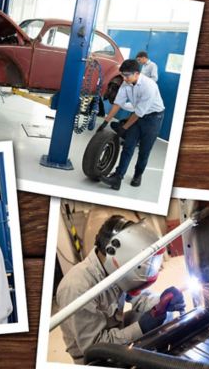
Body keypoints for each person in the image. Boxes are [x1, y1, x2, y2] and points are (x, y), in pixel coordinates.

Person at [56, 216, 184, 364]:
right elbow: (95, 347)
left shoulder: (115, 269)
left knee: (165, 317)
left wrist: (162, 301)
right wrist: (141, 327)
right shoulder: (76, 287)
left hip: (116, 329)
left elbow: (140, 298)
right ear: (114, 255)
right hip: (95, 357)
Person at [96, 59, 165, 190]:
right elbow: (118, 103)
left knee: (144, 151)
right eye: (122, 75)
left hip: (153, 119)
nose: (124, 78)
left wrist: (124, 128)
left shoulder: (149, 86)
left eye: (126, 75)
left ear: (137, 73)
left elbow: (139, 113)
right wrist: (106, 121)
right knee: (128, 147)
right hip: (138, 116)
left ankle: (138, 175)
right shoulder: (126, 83)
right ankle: (117, 178)